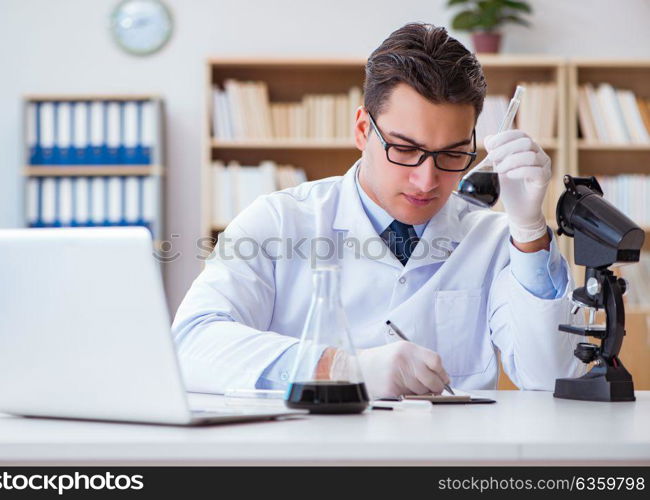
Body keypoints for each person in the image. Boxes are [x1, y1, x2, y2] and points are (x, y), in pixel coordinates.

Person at [172, 23, 584, 398]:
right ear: (362, 130)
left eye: (453, 155)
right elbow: (190, 344)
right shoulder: (279, 221)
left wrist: (529, 230)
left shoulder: (494, 239)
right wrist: (337, 368)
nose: (427, 181)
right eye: (404, 149)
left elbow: (551, 378)